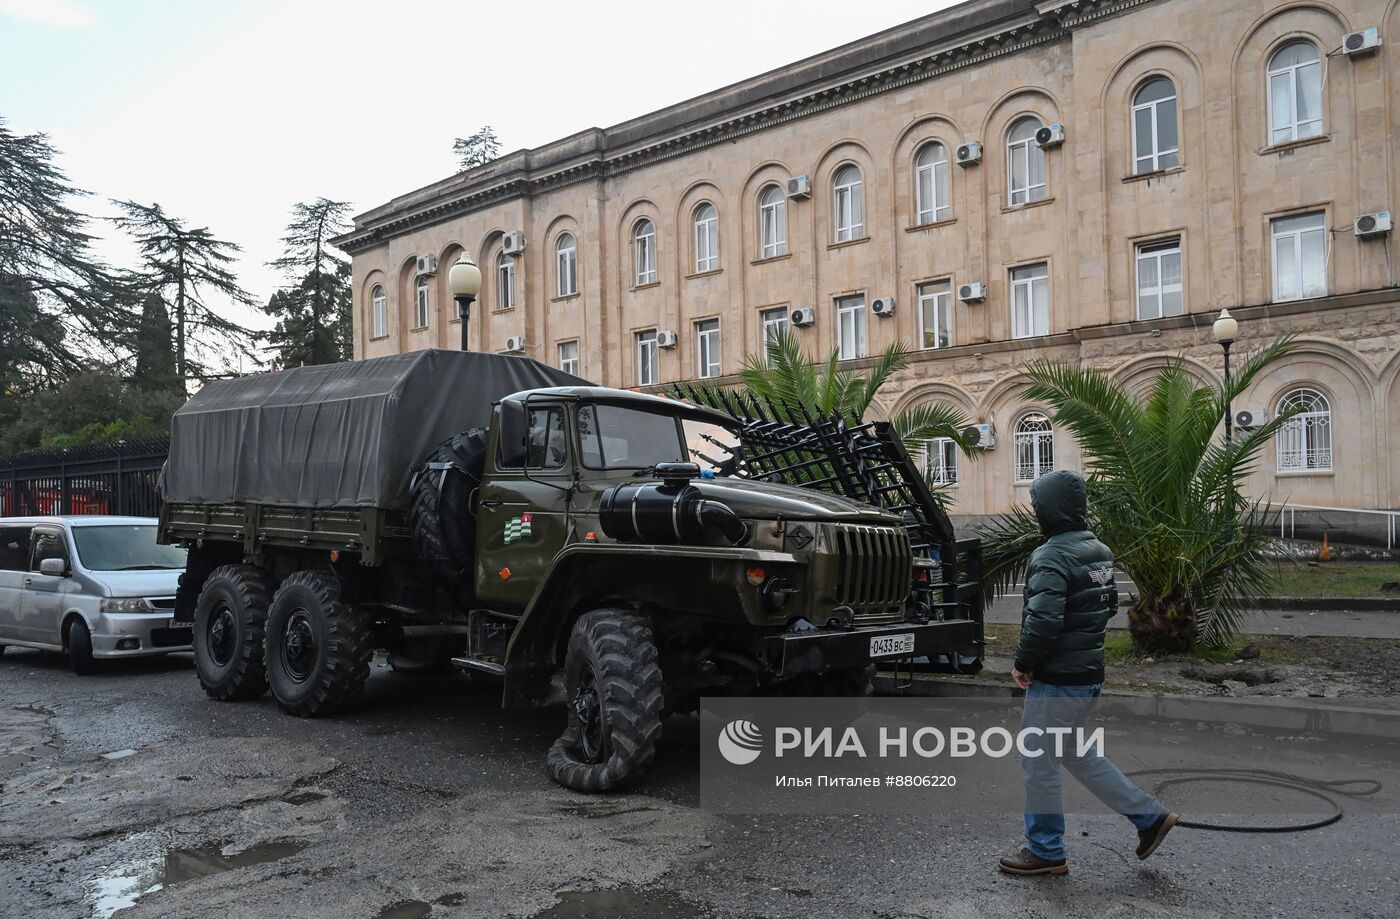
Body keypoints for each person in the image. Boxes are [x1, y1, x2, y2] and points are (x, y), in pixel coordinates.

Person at [998, 469, 1178, 877]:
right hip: (1088, 675)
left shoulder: (1051, 555)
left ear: (1050, 509)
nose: (1035, 512)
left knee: (1038, 762)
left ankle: (1045, 851)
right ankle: (1150, 818)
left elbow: (1043, 621)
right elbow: (1107, 604)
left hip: (1057, 681)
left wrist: (1024, 663)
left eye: (1037, 505)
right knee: (1076, 753)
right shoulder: (1098, 549)